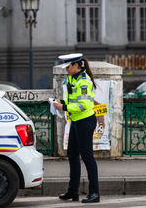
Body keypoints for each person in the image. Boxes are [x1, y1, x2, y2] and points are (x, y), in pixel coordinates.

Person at [53, 53, 99, 203]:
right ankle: (73, 192)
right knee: (72, 156)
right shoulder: (73, 78)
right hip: (76, 121)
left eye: (68, 66)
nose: (66, 68)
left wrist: (64, 106)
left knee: (87, 157)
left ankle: (95, 193)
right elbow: (74, 99)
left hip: (85, 121)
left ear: (75, 65)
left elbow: (84, 104)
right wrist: (60, 102)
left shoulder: (84, 82)